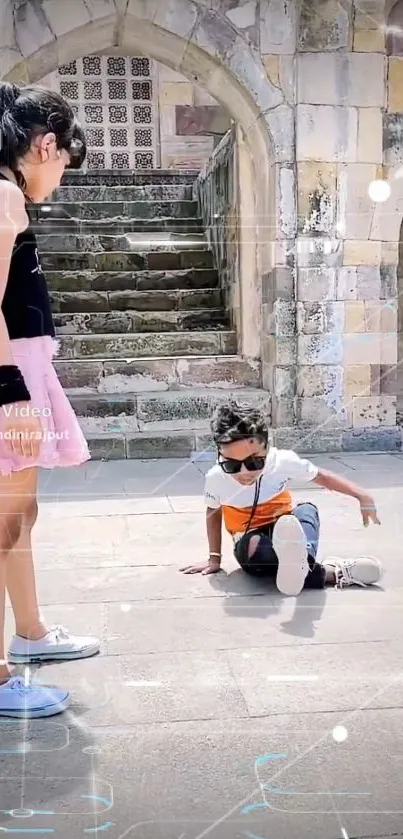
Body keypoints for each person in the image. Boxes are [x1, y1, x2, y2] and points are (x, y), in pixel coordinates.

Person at [0, 82, 100, 719]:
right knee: (2, 523)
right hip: (7, 377)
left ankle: (29, 634)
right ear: (44, 145)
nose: (60, 174)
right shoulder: (5, 194)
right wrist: (10, 396)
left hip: (19, 373)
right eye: (63, 159)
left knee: (18, 516)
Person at [181, 401, 383, 593]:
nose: (243, 472)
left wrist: (362, 495)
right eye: (231, 465)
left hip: (287, 525)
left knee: (307, 510)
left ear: (267, 448)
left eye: (254, 463)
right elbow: (213, 512)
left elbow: (320, 476)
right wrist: (214, 559)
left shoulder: (282, 461)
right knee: (253, 546)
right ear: (219, 454)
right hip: (252, 539)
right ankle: (330, 572)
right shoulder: (216, 478)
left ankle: (300, 558)